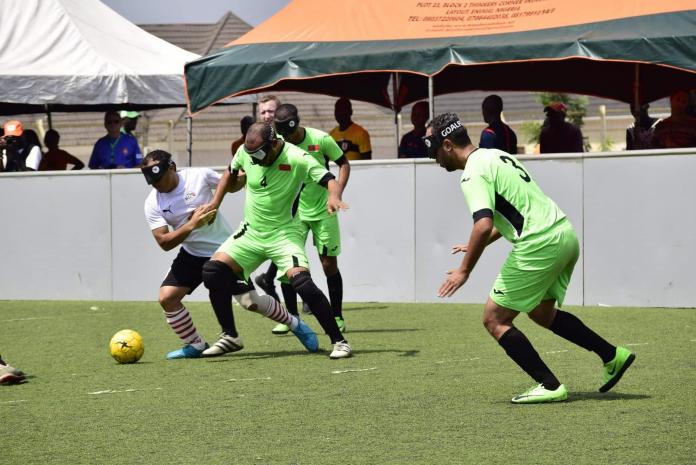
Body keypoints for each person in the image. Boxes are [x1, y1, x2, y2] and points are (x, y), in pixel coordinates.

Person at [425, 112, 635, 403]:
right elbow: (513, 215)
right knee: (540, 312)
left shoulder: (472, 173)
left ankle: (549, 385)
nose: (433, 158)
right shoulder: (496, 155)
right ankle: (612, 356)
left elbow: (483, 224)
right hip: (563, 234)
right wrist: (476, 244)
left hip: (539, 244)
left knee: (494, 319)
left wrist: (464, 270)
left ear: (447, 145)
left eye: (432, 149)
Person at [142, 150, 318, 359]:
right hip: (190, 254)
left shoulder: (199, 176)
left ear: (172, 167)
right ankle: (195, 344)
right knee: (167, 298)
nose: (157, 185)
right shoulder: (153, 202)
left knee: (250, 302)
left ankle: (294, 323)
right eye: (152, 181)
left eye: (160, 179)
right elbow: (164, 242)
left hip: (223, 251)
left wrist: (241, 176)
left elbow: (231, 185)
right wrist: (192, 225)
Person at [207, 122, 353, 358]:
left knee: (302, 283)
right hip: (251, 232)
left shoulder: (298, 157)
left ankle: (339, 341)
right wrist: (215, 203)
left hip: (284, 233)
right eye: (251, 154)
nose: (255, 159)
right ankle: (230, 335)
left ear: (274, 143)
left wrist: (334, 197)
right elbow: (230, 173)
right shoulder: (247, 152)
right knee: (213, 272)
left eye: (260, 153)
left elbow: (329, 179)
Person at [254, 104, 350, 335]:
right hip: (293, 214)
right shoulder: (276, 142)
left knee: (328, 265)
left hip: (323, 210)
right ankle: (291, 318)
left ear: (297, 123)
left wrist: (335, 194)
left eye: (291, 133)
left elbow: (343, 163)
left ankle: (336, 315)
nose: (287, 138)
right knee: (290, 266)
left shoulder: (321, 139)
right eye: (282, 134)